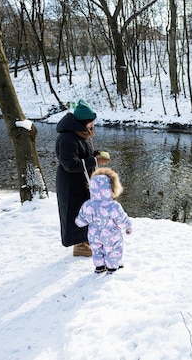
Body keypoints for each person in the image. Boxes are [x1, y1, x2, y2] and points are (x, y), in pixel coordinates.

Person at [56, 99, 110, 257]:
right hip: (70, 183)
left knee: (86, 210)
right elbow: (69, 164)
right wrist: (94, 161)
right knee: (74, 212)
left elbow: (83, 154)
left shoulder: (81, 133)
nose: (92, 125)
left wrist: (96, 154)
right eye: (90, 122)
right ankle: (79, 246)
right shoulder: (67, 138)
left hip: (82, 180)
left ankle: (86, 241)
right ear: (82, 122)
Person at [75, 167, 132, 274]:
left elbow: (80, 221)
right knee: (113, 250)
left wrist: (80, 221)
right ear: (111, 188)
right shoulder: (113, 206)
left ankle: (99, 266)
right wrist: (128, 227)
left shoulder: (88, 205)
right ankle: (112, 267)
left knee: (97, 250)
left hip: (94, 235)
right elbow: (121, 219)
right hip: (111, 235)